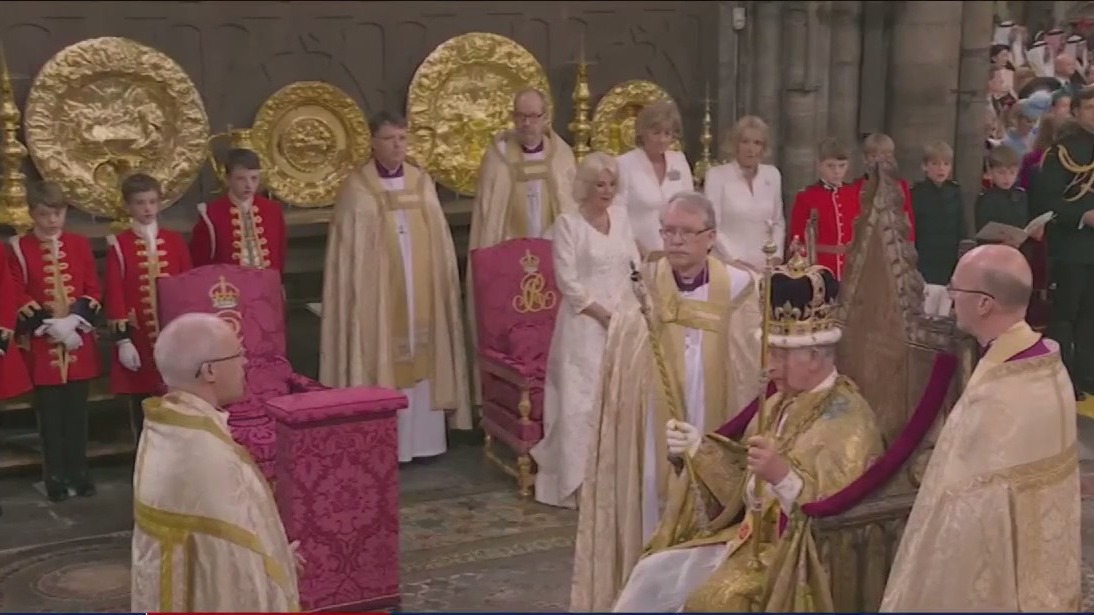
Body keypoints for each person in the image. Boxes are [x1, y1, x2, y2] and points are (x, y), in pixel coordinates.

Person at [611, 247, 882, 613]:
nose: (770, 368)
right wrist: (697, 450)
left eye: (782, 356)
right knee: (652, 573)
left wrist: (783, 476)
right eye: (769, 354)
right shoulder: (778, 402)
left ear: (817, 356)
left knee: (713, 600)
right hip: (747, 538)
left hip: (791, 557)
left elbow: (836, 516)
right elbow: (743, 482)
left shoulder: (849, 420)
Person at [570, 191, 762, 612]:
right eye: (667, 231)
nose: (674, 240)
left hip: (714, 422)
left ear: (710, 237)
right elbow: (624, 365)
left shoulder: (739, 290)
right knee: (653, 500)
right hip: (652, 430)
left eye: (685, 232)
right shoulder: (643, 288)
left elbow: (752, 370)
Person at [881, 245, 1079, 611]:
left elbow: (965, 512)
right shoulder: (1049, 366)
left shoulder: (999, 392)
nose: (951, 299)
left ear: (985, 303)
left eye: (956, 290)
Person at [319, 111, 470, 461]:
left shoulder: (421, 181)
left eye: (403, 138)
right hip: (379, 300)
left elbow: (440, 245)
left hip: (423, 291)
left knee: (424, 351)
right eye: (390, 139)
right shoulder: (357, 188)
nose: (398, 145)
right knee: (384, 353)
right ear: (373, 142)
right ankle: (384, 447)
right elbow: (350, 258)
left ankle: (427, 442)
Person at [131, 312, 300, 612]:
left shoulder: (168, 428)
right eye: (237, 354)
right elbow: (235, 570)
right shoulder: (205, 455)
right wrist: (278, 572)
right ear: (209, 371)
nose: (246, 363)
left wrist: (278, 555)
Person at [530, 152, 640, 509]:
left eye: (611, 184)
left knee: (619, 398)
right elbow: (569, 283)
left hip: (623, 320)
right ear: (585, 187)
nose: (606, 191)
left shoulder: (621, 218)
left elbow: (633, 265)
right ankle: (576, 481)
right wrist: (602, 314)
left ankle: (613, 479)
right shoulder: (567, 224)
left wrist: (635, 307)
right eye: (599, 185)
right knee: (582, 403)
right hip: (583, 325)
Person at [466, 87, 577, 404]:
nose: (527, 123)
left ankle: (557, 400)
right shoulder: (498, 158)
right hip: (508, 268)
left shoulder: (562, 156)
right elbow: (489, 216)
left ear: (546, 118)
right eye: (521, 116)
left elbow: (571, 213)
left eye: (533, 116)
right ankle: (504, 401)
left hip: (553, 261)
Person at [8, 182, 101, 502]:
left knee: (77, 415)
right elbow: (17, 294)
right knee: (50, 418)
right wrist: (51, 327)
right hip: (42, 346)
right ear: (33, 213)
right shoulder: (18, 247)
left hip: (78, 343)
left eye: (58, 213)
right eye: (46, 214)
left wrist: (73, 322)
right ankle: (56, 477)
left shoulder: (79, 244)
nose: (53, 221)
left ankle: (81, 473)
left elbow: (92, 289)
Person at [104, 173, 192, 439]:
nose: (147, 209)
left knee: (178, 405)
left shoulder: (175, 241)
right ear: (129, 206)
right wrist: (123, 341)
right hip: (139, 338)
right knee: (142, 409)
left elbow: (187, 286)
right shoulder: (119, 245)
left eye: (152, 202)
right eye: (140, 203)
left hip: (173, 339)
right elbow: (114, 293)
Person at [1033, 85, 1094, 400]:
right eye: (1090, 108)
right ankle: (1064, 376)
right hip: (1071, 246)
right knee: (1066, 315)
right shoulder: (1062, 153)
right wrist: (1084, 215)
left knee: (1091, 317)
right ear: (1076, 112)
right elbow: (1048, 201)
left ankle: (1088, 374)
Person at [615, 100, 694, 262]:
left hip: (676, 253)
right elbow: (617, 213)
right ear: (642, 133)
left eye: (667, 133)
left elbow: (690, 206)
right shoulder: (624, 163)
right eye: (656, 133)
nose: (662, 139)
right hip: (636, 253)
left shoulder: (678, 160)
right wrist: (639, 250)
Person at [705, 116, 786, 271]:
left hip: (766, 265)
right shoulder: (717, 175)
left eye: (757, 143)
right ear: (736, 144)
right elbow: (713, 225)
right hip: (728, 264)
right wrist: (736, 261)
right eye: (745, 142)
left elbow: (778, 221)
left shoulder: (772, 174)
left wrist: (775, 257)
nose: (751, 149)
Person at [190, 148, 287, 273]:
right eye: (241, 178)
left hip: (267, 287)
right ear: (227, 179)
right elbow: (200, 263)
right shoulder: (211, 214)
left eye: (254, 178)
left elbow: (280, 255)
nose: (249, 185)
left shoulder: (272, 210)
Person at [786, 137, 857, 278]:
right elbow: (797, 241)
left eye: (842, 165)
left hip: (852, 269)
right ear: (819, 165)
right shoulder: (806, 197)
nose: (837, 171)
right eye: (830, 166)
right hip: (820, 268)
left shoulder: (855, 194)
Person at [911, 141, 965, 317]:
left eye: (945, 164)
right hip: (924, 261)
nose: (941, 169)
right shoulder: (917, 194)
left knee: (944, 315)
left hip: (948, 262)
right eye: (935, 164)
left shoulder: (955, 192)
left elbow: (961, 227)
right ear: (924, 166)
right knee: (924, 312)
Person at [852, 133, 916, 241]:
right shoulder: (857, 186)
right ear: (865, 158)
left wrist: (909, 242)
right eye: (874, 156)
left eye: (886, 156)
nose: (880, 161)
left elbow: (907, 215)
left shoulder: (900, 186)